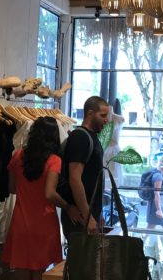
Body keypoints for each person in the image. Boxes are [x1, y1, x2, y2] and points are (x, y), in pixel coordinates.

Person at [3, 117, 82, 280]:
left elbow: (11, 188)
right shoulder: (54, 160)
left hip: (20, 222)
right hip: (43, 223)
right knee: (40, 273)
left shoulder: (17, 155)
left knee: (21, 268)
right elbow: (49, 193)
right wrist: (68, 207)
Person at [58, 95, 109, 238]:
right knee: (80, 252)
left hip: (86, 215)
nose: (106, 120)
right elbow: (75, 179)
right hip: (80, 218)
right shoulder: (80, 137)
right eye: (102, 115)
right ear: (90, 113)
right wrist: (88, 217)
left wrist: (96, 215)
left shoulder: (92, 137)